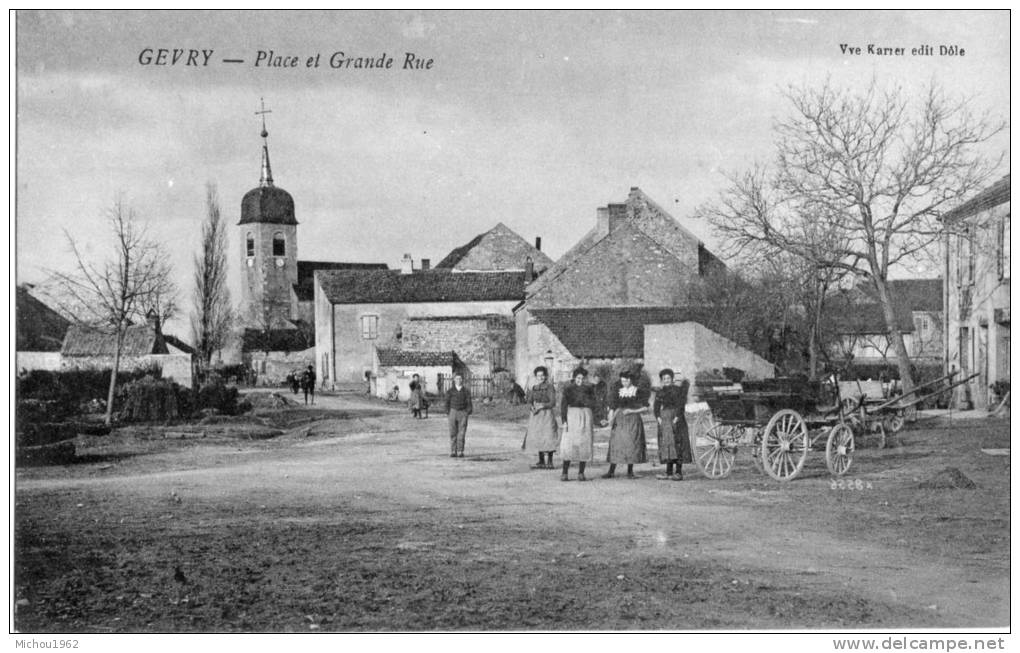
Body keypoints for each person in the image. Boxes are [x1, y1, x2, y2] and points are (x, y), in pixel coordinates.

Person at [603, 370, 649, 479]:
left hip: (633, 420)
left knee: (631, 444)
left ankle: (630, 471)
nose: (623, 383)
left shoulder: (638, 391)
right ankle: (611, 471)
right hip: (620, 420)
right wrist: (610, 421)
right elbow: (617, 408)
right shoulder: (619, 391)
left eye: (625, 381)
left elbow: (646, 407)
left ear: (630, 380)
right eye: (622, 381)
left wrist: (632, 411)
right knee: (616, 444)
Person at [653, 368, 692, 481]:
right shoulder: (660, 392)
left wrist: (677, 417)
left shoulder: (677, 390)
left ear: (672, 379)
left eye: (668, 378)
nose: (666, 380)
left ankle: (678, 472)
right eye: (664, 378)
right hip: (665, 420)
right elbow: (656, 407)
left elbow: (681, 405)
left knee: (677, 443)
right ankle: (668, 472)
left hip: (676, 418)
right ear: (662, 380)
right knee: (667, 444)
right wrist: (658, 417)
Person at [559, 366, 596, 481]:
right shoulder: (569, 389)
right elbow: (563, 406)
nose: (580, 381)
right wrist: (564, 421)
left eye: (583, 378)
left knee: (584, 444)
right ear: (574, 378)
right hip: (572, 416)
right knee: (569, 444)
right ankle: (565, 472)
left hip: (586, 416)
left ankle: (581, 472)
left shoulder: (590, 389)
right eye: (578, 378)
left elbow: (594, 403)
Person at [522, 366, 560, 469]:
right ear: (536, 376)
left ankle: (550, 462)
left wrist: (542, 406)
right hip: (536, 415)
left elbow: (552, 402)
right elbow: (529, 400)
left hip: (546, 414)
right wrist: (532, 406)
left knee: (548, 436)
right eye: (538, 376)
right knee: (538, 436)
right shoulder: (534, 387)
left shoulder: (549, 387)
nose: (541, 377)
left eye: (542, 375)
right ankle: (541, 460)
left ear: (546, 376)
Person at [444, 372, 472, 458]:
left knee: (462, 432)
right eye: (457, 379)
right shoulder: (450, 391)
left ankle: (460, 451)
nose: (459, 380)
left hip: (463, 413)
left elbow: (469, 402)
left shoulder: (466, 391)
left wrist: (468, 411)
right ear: (454, 380)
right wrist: (448, 412)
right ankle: (453, 451)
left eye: (460, 379)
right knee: (453, 432)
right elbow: (447, 402)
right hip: (453, 412)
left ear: (462, 380)